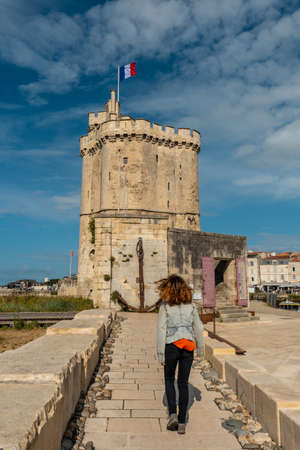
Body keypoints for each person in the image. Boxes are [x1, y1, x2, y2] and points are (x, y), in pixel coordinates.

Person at [156, 274, 204, 434]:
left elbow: (161, 329)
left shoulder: (165, 306)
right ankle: (182, 421)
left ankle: (172, 414)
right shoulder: (191, 305)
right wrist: (201, 348)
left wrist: (160, 353)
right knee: (183, 383)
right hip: (188, 345)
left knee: (169, 380)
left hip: (172, 345)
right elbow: (198, 327)